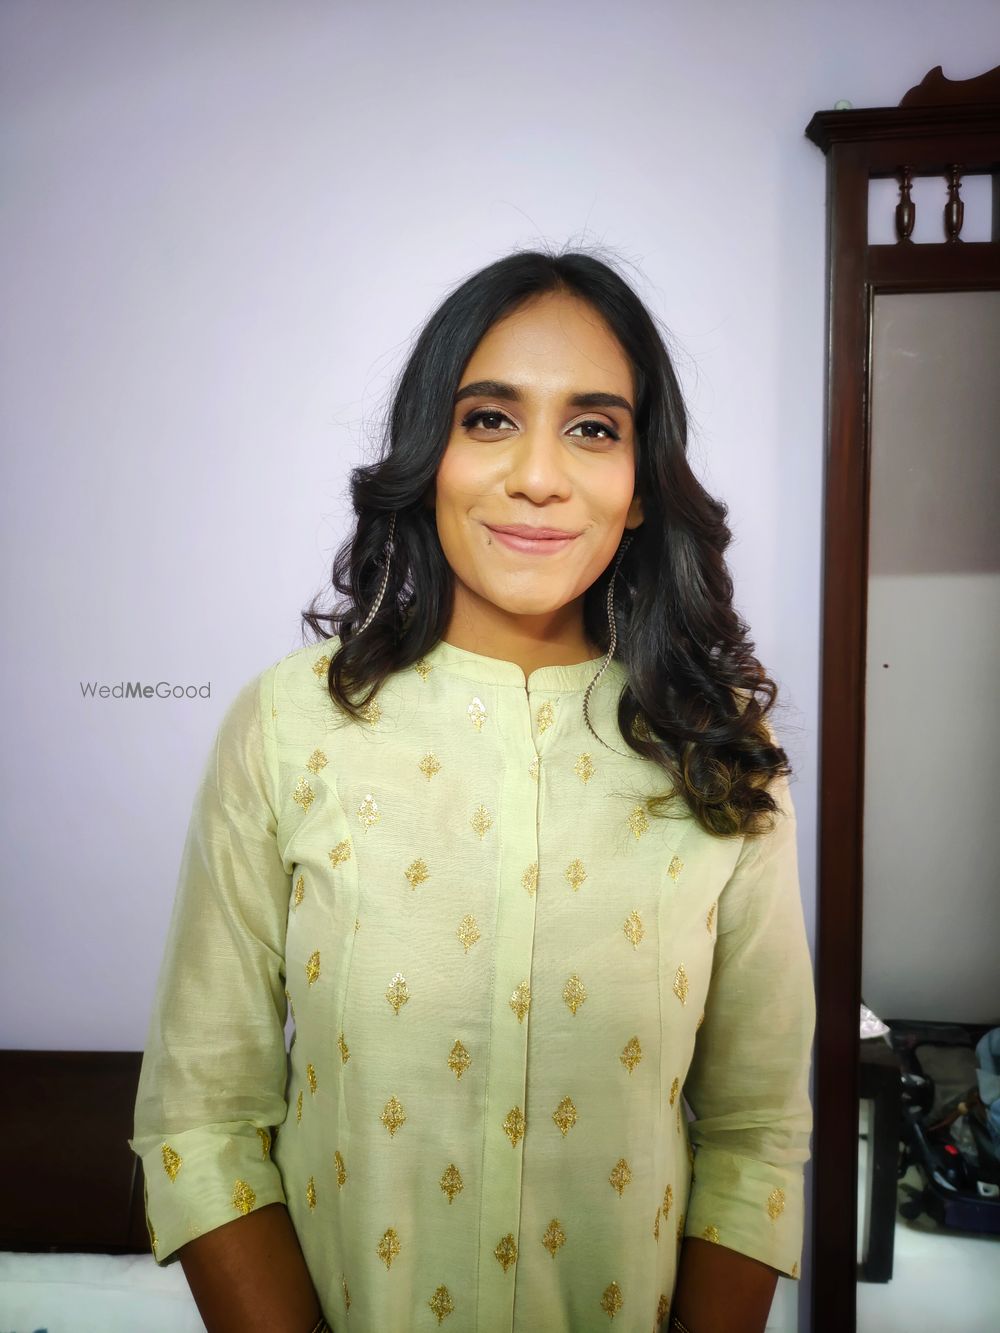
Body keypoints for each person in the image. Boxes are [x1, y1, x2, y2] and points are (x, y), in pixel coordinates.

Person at [129, 247, 815, 1333]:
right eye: (489, 418)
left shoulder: (718, 747)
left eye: (593, 428)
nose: (538, 475)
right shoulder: (290, 725)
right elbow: (202, 1119)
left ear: (641, 487)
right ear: (428, 455)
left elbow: (755, 1134)